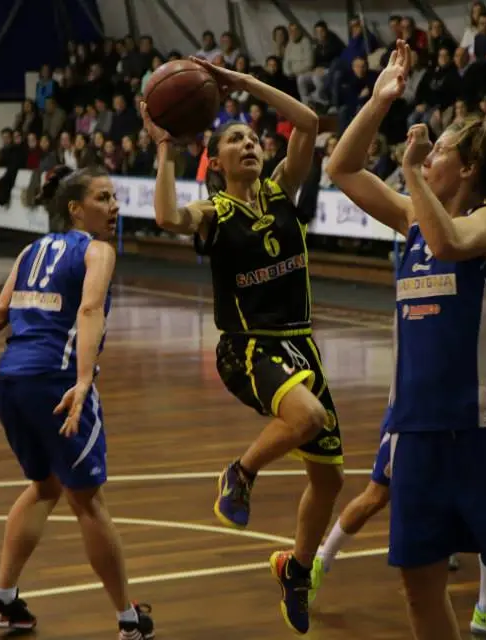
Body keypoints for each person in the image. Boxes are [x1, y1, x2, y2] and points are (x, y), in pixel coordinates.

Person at [326, 41, 486, 640]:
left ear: (464, 170)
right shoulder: (415, 220)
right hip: (416, 429)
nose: (425, 153)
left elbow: (449, 245)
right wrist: (379, 100)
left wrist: (409, 173)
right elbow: (341, 169)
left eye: (437, 150)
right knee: (417, 582)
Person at [0, 166, 155, 640]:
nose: (115, 206)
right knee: (88, 502)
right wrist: (82, 383)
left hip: (10, 382)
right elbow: (89, 309)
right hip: (55, 384)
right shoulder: (98, 250)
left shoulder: (31, 249)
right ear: (76, 209)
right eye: (104, 198)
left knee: (44, 486)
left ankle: (2, 599)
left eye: (116, 197)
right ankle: (128, 620)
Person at [142, 56, 338, 635]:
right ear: (216, 161)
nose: (249, 145)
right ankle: (240, 472)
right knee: (309, 415)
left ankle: (296, 569)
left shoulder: (280, 192)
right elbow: (167, 216)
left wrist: (245, 85)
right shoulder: (216, 212)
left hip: (302, 347)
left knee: (329, 481)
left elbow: (307, 123)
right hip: (247, 347)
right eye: (234, 139)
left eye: (253, 138)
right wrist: (164, 150)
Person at [314, 264, 486, 639]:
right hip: (419, 414)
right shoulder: (441, 257)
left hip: (480, 406)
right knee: (377, 494)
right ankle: (318, 563)